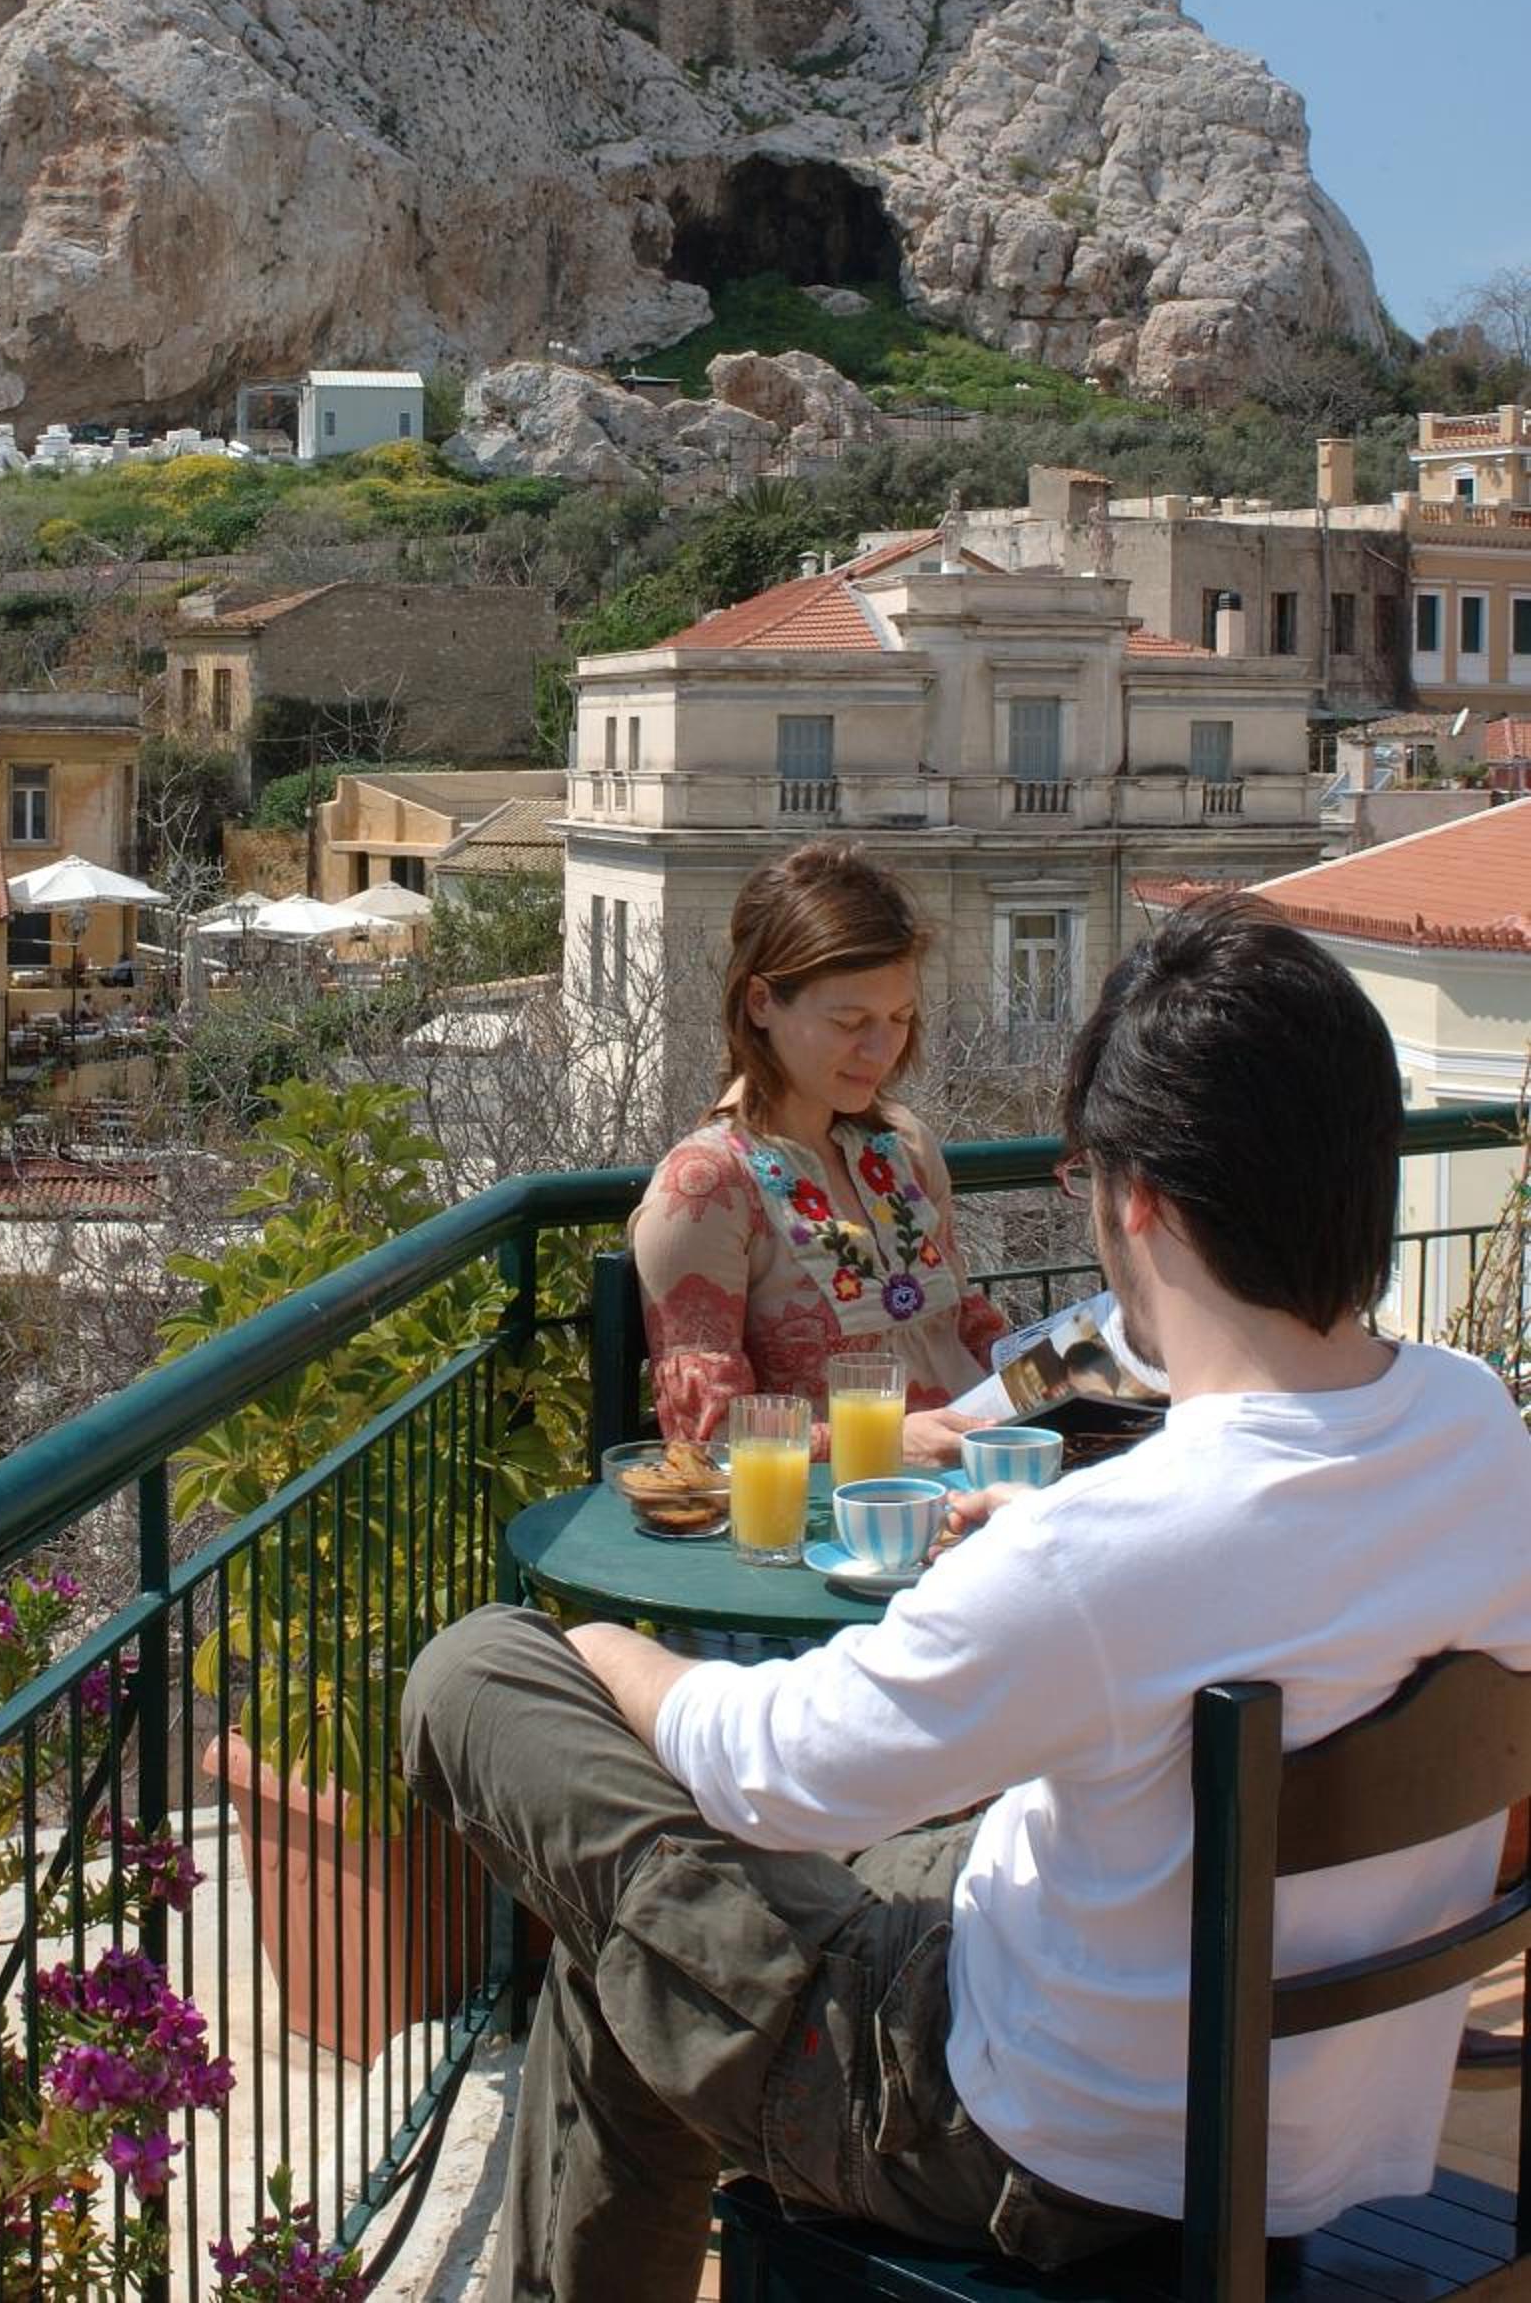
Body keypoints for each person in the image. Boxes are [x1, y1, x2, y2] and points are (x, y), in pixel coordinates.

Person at [403, 900, 1531, 2303]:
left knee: (476, 1669)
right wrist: (1043, 1554)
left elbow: (774, 1776)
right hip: (1308, 2120)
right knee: (628, 1955)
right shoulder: (1477, 1427)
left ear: (1136, 1200)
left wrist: (603, 1655)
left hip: (1033, 2152)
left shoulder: (1100, 1554)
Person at [629, 842, 1004, 1464]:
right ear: (761, 1003)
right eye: (850, 1023)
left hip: (981, 1487)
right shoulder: (707, 1187)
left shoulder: (904, 1149)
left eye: (900, 1018)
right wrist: (884, 1443)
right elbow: (707, 1439)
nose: (881, 1050)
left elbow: (963, 1323)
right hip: (836, 1515)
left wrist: (1068, 1366)